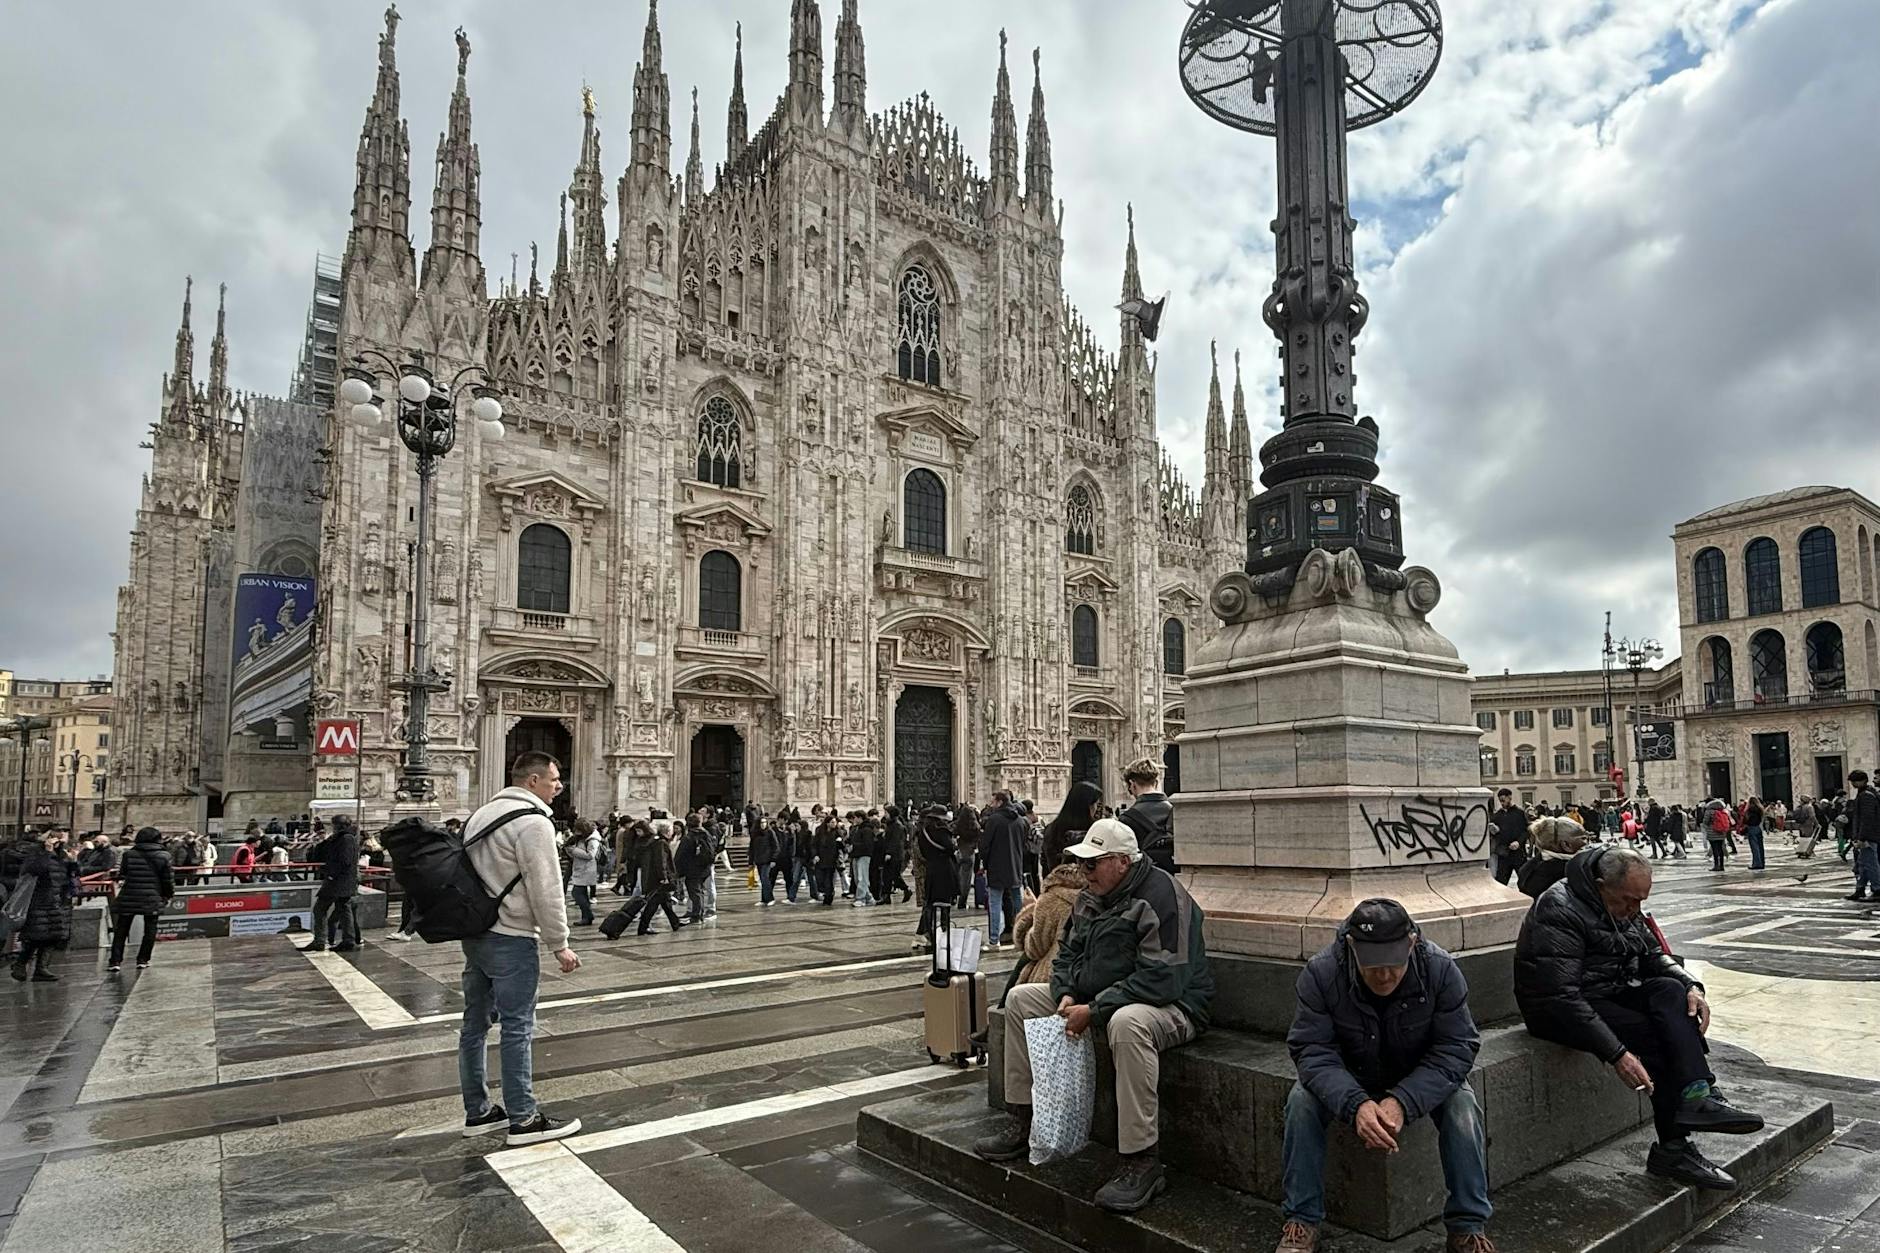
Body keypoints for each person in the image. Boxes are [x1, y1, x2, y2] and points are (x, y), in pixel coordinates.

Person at [977, 818, 1213, 1213]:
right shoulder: (1091, 896)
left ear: (1122, 862)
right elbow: (1067, 949)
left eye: (1094, 864)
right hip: (1097, 997)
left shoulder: (1163, 897)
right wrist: (1065, 990)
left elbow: (1163, 979)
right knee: (1020, 999)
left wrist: (1096, 1008)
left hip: (1174, 1006)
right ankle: (1023, 1119)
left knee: (1127, 1024)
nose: (1085, 873)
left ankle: (1141, 1160)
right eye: (1084, 864)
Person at [1515, 845, 1763, 1190]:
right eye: (1628, 901)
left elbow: (1652, 954)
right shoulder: (1559, 907)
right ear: (1600, 885)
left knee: (1670, 991)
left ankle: (1698, 1093)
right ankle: (1674, 1146)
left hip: (1609, 991)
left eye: (1640, 901)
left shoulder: (1623, 904)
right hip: (1556, 1008)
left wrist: (1691, 985)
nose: (1635, 909)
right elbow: (1561, 995)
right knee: (1654, 1035)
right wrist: (1617, 1054)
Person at [1275, 900, 1493, 1253]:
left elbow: (1457, 1046)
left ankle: (1468, 1226)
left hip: (1420, 1073)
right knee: (1301, 1103)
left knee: (1462, 1106)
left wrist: (1403, 1101)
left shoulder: (1439, 969)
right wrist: (1355, 1103)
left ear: (1411, 945)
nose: (1385, 976)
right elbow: (1312, 1051)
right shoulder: (1321, 972)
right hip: (1349, 1076)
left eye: (1394, 964)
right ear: (1351, 947)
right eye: (1373, 966)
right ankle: (1302, 1218)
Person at [455, 752, 583, 1147]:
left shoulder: (481, 815)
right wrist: (559, 942)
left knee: (474, 1025)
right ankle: (523, 1119)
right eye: (554, 779)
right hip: (511, 937)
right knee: (517, 1028)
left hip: (476, 934)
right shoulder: (533, 822)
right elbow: (545, 886)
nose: (558, 786)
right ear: (532, 780)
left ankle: (477, 1111)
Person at [4, 831, 75, 982]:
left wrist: (73, 861)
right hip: (39, 900)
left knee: (53, 936)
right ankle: (21, 964)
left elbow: (69, 876)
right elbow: (35, 869)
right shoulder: (36, 853)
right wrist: (46, 852)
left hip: (55, 901)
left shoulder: (61, 856)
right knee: (36, 936)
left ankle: (40, 968)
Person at [108, 827, 174, 972]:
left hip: (129, 894)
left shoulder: (129, 854)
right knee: (150, 929)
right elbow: (167, 879)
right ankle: (143, 959)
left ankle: (115, 961)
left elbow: (123, 873)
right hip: (152, 895)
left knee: (122, 929)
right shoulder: (164, 855)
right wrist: (168, 894)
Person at [1009, 861, 1086, 984]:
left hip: (1051, 976)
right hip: (1077, 974)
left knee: (1017, 991)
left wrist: (1030, 911)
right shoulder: (1093, 893)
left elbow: (1034, 949)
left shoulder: (1052, 898)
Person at [307, 816, 363, 952]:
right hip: (341, 880)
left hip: (338, 881)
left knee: (320, 909)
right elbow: (320, 853)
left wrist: (331, 874)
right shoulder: (342, 838)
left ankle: (320, 940)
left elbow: (345, 861)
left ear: (338, 825)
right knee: (344, 909)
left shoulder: (346, 839)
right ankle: (347, 940)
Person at [979, 790, 1027, 948]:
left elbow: (985, 845)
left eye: (993, 802)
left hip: (997, 867)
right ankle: (1023, 936)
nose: (992, 805)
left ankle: (994, 940)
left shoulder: (994, 820)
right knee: (1018, 903)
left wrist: (984, 864)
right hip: (1015, 867)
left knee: (995, 903)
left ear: (1000, 802)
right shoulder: (1021, 821)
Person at [1118, 757, 1176, 873]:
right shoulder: (1176, 811)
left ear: (1132, 784)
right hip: (1175, 878)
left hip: (1145, 879)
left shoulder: (1126, 819)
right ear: (1156, 782)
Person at [913, 804, 958, 951]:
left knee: (930, 902)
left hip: (931, 870)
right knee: (945, 903)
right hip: (944, 870)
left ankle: (928, 933)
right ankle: (944, 930)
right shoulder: (942, 831)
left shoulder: (922, 832)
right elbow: (950, 848)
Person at [633, 817, 687, 934]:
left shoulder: (655, 841)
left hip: (652, 876)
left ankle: (675, 923)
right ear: (667, 831)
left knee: (665, 901)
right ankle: (643, 927)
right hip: (658, 878)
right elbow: (661, 861)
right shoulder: (661, 843)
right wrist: (663, 877)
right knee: (653, 903)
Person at [1516, 815, 1589, 899]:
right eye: (1583, 838)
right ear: (1566, 845)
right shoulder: (1571, 875)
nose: (1587, 842)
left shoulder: (1529, 869)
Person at [1042, 780, 1103, 869]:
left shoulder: (1051, 829)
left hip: (1057, 880)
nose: (1097, 808)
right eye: (1095, 804)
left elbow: (1045, 864)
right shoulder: (1093, 831)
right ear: (1086, 805)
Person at [1847, 770, 1880, 901]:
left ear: (1862, 781)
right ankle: (1860, 889)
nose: (1853, 784)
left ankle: (1877, 889)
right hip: (1867, 834)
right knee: (1862, 863)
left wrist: (1861, 837)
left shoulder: (1866, 795)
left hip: (1868, 836)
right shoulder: (1865, 793)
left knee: (1870, 863)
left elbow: (1867, 818)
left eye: (1855, 781)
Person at [564, 818, 602, 927]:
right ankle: (586, 916)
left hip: (587, 869)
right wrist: (569, 850)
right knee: (582, 894)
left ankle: (588, 915)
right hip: (580, 868)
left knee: (576, 893)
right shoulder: (581, 838)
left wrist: (574, 851)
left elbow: (590, 855)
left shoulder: (592, 839)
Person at [677, 815, 714, 923]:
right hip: (705, 868)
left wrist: (677, 871)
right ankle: (698, 913)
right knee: (699, 892)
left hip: (692, 869)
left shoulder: (689, 837)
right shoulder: (706, 834)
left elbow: (681, 856)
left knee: (695, 893)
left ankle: (697, 915)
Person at [1488, 788, 1526, 884]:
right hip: (1504, 854)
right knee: (1501, 882)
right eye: (1500, 801)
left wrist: (1519, 842)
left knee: (1524, 882)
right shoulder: (1497, 815)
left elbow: (1526, 831)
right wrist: (1494, 831)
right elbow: (1494, 834)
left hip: (1519, 853)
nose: (1502, 803)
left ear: (1510, 797)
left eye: (1503, 800)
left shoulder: (1520, 813)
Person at [749, 814, 780, 907]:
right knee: (763, 880)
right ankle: (764, 899)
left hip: (767, 860)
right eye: (761, 823)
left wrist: (773, 859)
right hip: (758, 859)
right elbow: (752, 848)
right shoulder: (755, 834)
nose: (763, 824)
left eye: (765, 822)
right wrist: (750, 861)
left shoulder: (770, 832)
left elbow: (776, 846)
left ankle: (770, 898)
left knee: (765, 878)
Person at [847, 814, 876, 907]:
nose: (854, 819)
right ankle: (869, 897)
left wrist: (854, 846)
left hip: (864, 855)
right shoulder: (857, 829)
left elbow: (868, 844)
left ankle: (861, 898)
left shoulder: (867, 830)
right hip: (856, 855)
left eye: (855, 817)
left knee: (862, 877)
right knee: (857, 878)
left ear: (860, 818)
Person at [1702, 798, 1731, 872]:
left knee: (1715, 849)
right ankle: (1721, 865)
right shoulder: (1723, 811)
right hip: (1721, 833)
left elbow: (1705, 821)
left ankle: (1716, 865)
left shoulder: (1709, 811)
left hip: (1712, 832)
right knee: (1721, 849)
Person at [1741, 796, 1766, 872]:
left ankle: (1756, 863)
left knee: (1754, 847)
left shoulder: (1749, 810)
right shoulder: (1760, 809)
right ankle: (1761, 863)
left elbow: (1747, 820)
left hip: (1752, 828)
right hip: (1758, 828)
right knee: (1760, 847)